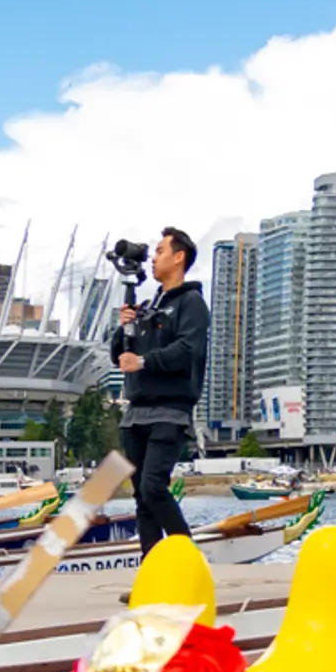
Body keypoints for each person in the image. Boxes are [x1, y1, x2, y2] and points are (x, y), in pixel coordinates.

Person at [112, 228, 209, 553]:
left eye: (160, 251)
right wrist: (124, 325)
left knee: (154, 487)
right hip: (136, 412)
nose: (153, 259)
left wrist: (143, 360)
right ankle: (153, 576)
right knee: (142, 497)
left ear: (179, 257)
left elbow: (188, 350)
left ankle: (187, 562)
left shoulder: (192, 303)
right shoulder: (147, 308)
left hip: (171, 410)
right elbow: (119, 355)